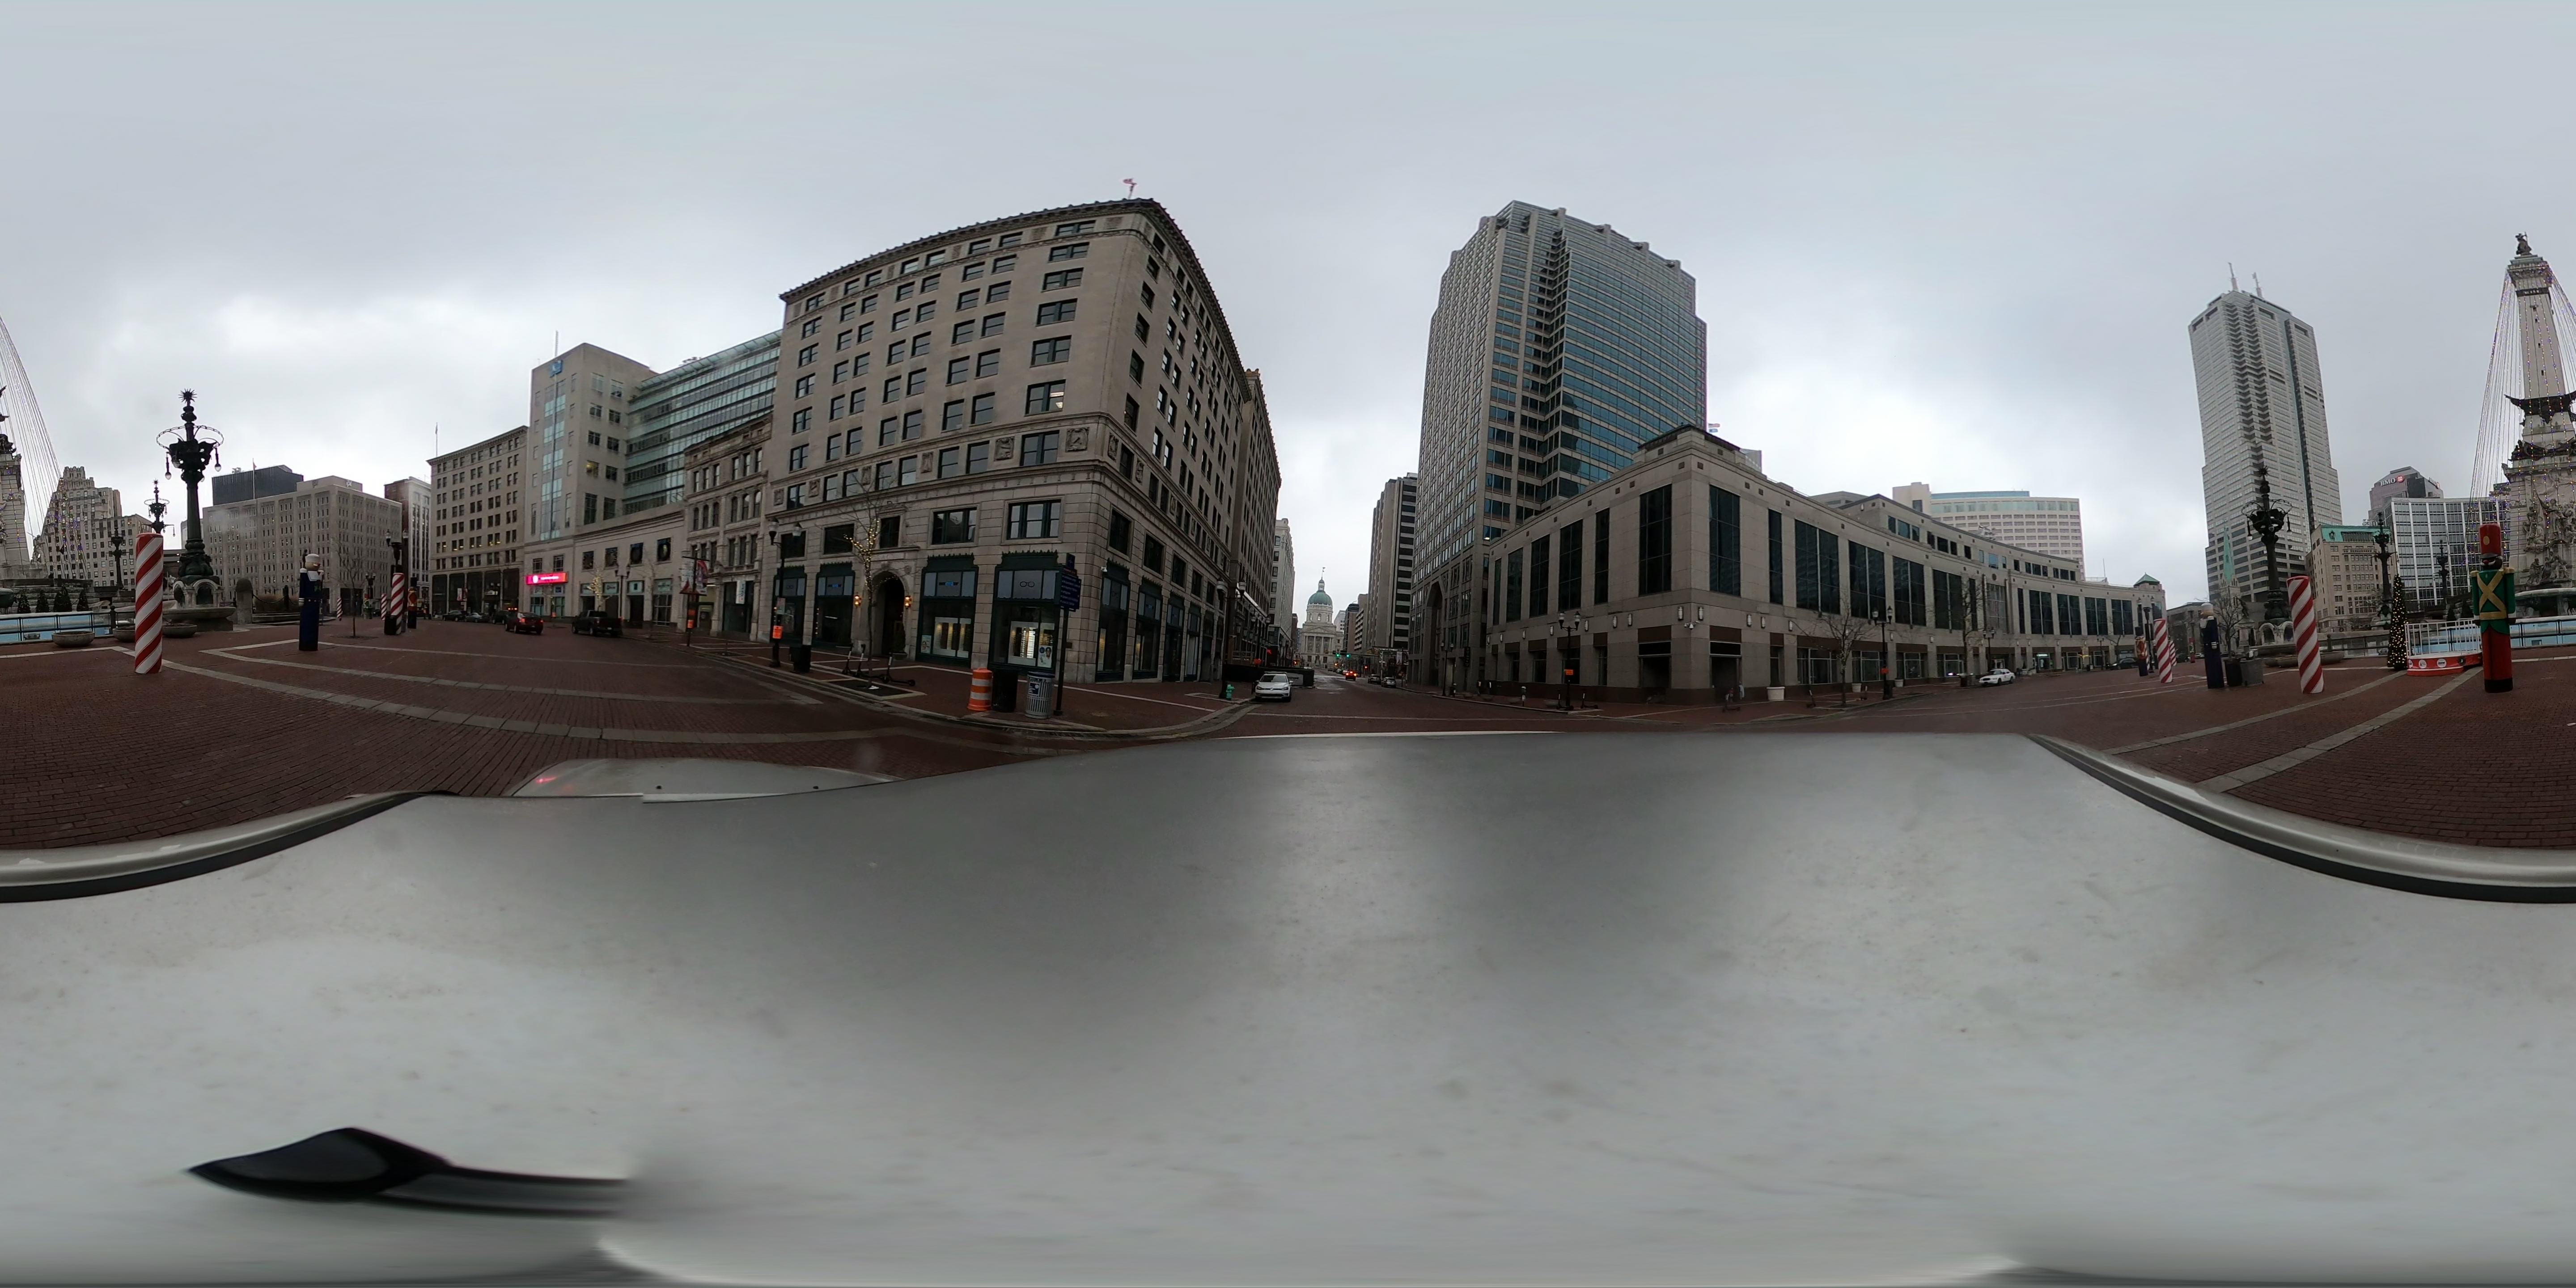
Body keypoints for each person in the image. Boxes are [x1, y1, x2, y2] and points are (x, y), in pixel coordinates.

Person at [296, 553, 325, 652]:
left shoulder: (320, 574)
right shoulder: (305, 574)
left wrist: (320, 599)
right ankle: (306, 644)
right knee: (307, 624)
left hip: (315, 603)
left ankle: (312, 644)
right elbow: (303, 587)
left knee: (313, 626)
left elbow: (320, 588)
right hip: (308, 603)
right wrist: (301, 599)